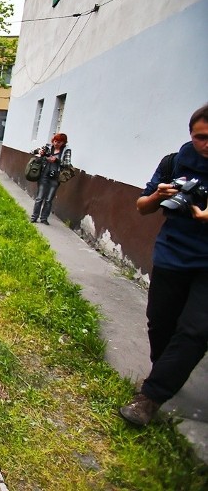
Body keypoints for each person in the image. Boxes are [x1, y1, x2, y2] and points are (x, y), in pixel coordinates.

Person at [119, 104, 208, 426]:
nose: (206, 144)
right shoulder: (175, 162)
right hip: (173, 254)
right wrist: (159, 194)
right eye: (201, 137)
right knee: (160, 321)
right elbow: (142, 206)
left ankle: (150, 398)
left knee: (196, 330)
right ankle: (167, 367)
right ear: (191, 135)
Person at [30, 133, 71, 225]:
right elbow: (32, 151)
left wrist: (56, 160)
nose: (56, 144)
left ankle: (44, 218)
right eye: (55, 141)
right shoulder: (48, 147)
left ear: (63, 143)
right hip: (44, 175)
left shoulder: (66, 150)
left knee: (48, 199)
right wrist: (40, 152)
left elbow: (67, 164)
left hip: (55, 178)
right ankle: (34, 217)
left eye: (59, 142)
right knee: (39, 197)